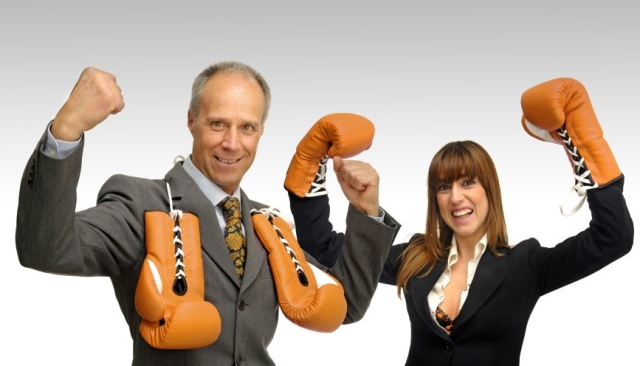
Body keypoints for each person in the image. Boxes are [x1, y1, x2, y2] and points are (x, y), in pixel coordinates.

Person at [15, 62, 400, 366]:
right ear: (191, 121)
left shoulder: (268, 224)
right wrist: (66, 130)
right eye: (218, 123)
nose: (232, 143)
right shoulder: (142, 202)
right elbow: (45, 249)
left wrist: (365, 211)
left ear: (260, 133)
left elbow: (342, 304)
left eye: (246, 127)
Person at [287, 77, 634, 365]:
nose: (455, 197)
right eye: (443, 186)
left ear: (489, 191)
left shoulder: (526, 265)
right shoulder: (415, 257)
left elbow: (613, 237)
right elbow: (324, 247)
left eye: (468, 182)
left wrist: (584, 151)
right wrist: (312, 168)